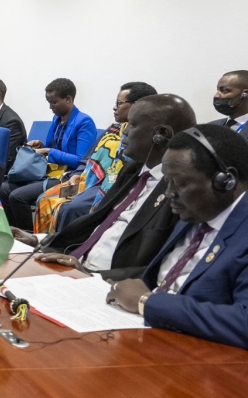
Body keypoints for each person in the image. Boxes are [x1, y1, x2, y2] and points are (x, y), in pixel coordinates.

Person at [19, 94, 195, 281]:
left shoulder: (181, 193)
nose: (124, 132)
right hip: (74, 265)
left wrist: (94, 276)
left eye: (132, 125)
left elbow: (162, 267)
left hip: (108, 283)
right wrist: (38, 240)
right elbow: (96, 223)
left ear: (161, 135)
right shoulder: (133, 171)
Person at [105, 124, 248, 350]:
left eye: (180, 184)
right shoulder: (196, 211)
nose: (169, 193)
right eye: (167, 182)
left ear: (226, 180)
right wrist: (96, 277)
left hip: (196, 356)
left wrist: (148, 303)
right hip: (142, 333)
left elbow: (243, 322)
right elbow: (161, 276)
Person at [33, 82, 156, 233]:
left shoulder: (144, 139)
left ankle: (62, 244)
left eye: (119, 103)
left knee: (71, 208)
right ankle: (41, 241)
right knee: (45, 198)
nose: (114, 107)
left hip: (110, 186)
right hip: (88, 179)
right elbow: (88, 157)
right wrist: (78, 174)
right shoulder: (113, 129)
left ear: (137, 106)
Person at [0, 77, 98, 229]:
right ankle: (13, 232)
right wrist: (41, 145)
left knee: (18, 196)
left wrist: (49, 151)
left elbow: (82, 160)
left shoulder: (84, 122)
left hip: (69, 176)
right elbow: (54, 147)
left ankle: (29, 236)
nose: (50, 106)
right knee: (3, 189)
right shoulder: (57, 119)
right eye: (49, 102)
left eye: (54, 102)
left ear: (68, 99)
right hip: (49, 172)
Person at [211, 69, 248, 139]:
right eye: (218, 90)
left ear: (245, 94)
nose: (216, 95)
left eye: (224, 90)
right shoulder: (211, 128)